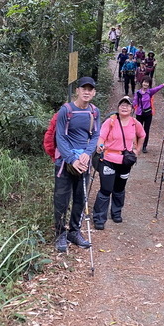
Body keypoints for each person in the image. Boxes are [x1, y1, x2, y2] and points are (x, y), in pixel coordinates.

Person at [54, 77, 100, 252]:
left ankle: (74, 231)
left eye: (90, 89)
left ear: (94, 92)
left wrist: (87, 154)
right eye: (84, 89)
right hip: (65, 161)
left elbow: (95, 135)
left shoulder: (95, 111)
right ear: (77, 91)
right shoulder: (66, 110)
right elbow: (60, 137)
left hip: (84, 160)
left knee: (80, 198)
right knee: (61, 199)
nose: (87, 92)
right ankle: (60, 234)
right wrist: (72, 159)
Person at [92, 96, 145, 229]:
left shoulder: (134, 123)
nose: (124, 107)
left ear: (132, 109)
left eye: (127, 105)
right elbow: (101, 136)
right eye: (122, 104)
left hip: (126, 161)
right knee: (106, 189)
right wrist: (100, 145)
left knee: (119, 188)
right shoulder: (111, 121)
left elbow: (142, 135)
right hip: (109, 159)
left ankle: (116, 213)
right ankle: (99, 218)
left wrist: (137, 150)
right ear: (118, 107)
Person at [133, 74, 164, 153]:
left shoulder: (150, 92)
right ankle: (136, 145)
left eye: (147, 83)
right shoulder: (137, 93)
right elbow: (134, 102)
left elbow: (159, 87)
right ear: (142, 83)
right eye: (144, 82)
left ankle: (144, 146)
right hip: (139, 114)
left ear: (149, 84)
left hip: (148, 114)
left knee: (146, 130)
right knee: (138, 130)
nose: (145, 84)